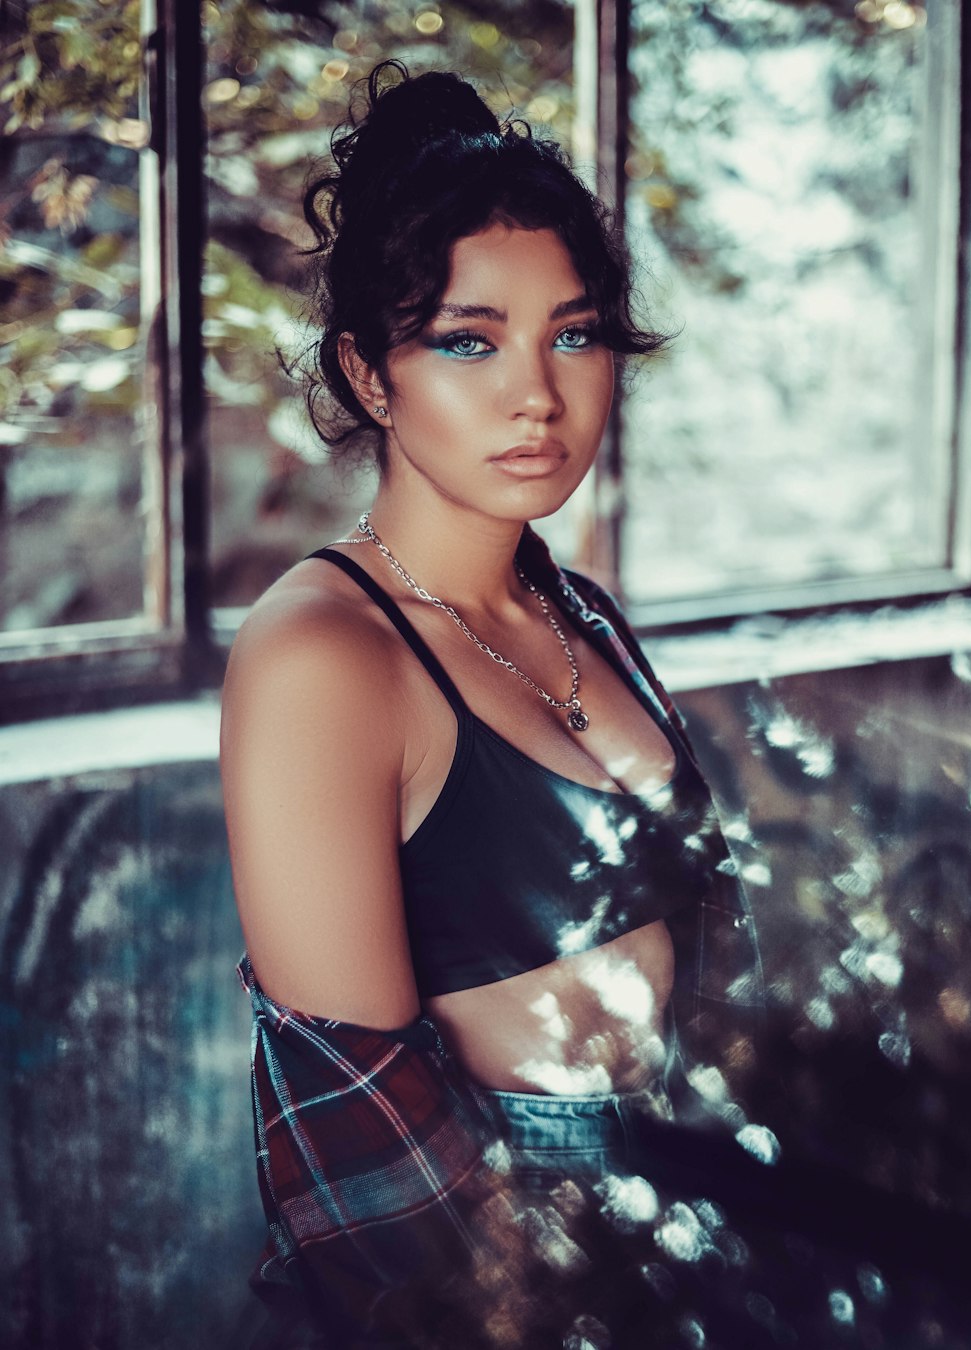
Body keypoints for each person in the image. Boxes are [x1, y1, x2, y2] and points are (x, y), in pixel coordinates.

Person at [220, 61, 761, 1349]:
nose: (538, 395)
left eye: (571, 334)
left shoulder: (572, 608)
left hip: (697, 1215)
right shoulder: (326, 659)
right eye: (469, 342)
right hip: (496, 1280)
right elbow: (356, 1140)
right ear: (367, 372)